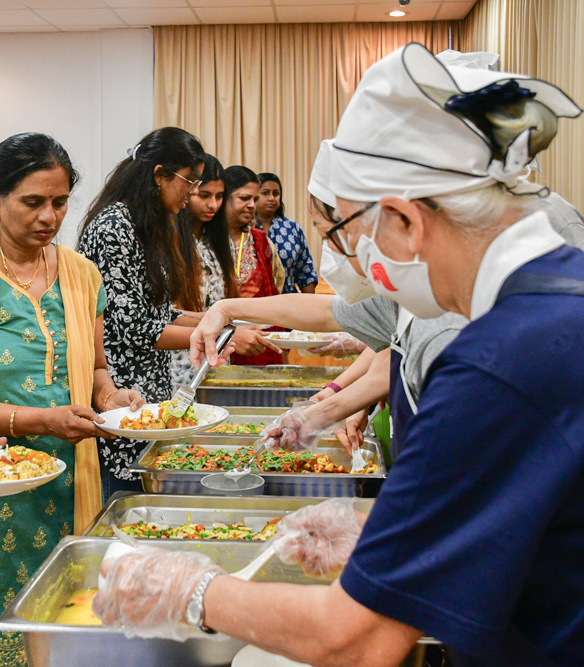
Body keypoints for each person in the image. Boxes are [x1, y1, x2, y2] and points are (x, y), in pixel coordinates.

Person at [96, 43, 584, 666]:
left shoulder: (493, 362)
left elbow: (355, 639)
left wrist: (191, 591)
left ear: (406, 220)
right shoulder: (556, 291)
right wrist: (390, 544)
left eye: (347, 238)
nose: (352, 266)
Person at [0, 133, 143, 666]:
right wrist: (39, 419)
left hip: (70, 483)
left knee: (59, 630)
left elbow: (96, 370)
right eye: (33, 202)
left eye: (59, 203)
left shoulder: (81, 275)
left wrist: (112, 397)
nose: (49, 217)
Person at [76, 127, 205, 497]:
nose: (192, 194)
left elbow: (159, 311)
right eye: (189, 181)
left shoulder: (146, 222)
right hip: (118, 390)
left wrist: (218, 320)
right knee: (122, 503)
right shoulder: (114, 225)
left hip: (148, 389)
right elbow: (134, 327)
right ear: (160, 174)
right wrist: (210, 335)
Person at [169, 155, 239, 385]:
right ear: (187, 192)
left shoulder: (220, 242)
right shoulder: (169, 239)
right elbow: (163, 313)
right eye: (204, 195)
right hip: (176, 355)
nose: (213, 205)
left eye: (219, 197)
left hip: (216, 352)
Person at [224, 165, 285, 365]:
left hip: (258, 341)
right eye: (244, 198)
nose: (252, 205)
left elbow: (275, 289)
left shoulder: (259, 240)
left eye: (254, 199)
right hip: (220, 340)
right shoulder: (203, 242)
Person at [255, 171, 318, 294]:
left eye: (276, 193)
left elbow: (306, 271)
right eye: (265, 193)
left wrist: (309, 308)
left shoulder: (292, 228)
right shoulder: (245, 229)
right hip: (252, 305)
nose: (271, 198)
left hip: (288, 302)